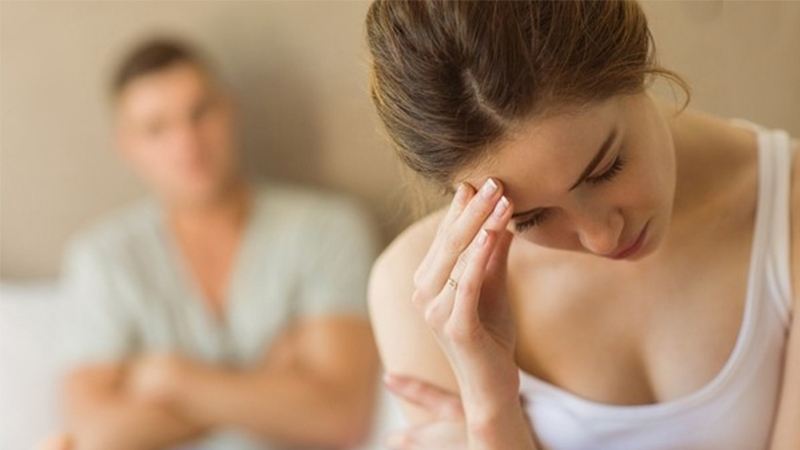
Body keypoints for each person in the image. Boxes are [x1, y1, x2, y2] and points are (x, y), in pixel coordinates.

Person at [364, 1, 799, 449]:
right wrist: (491, 405)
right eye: (529, 218)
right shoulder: (429, 297)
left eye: (607, 169)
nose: (602, 238)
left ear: (635, 64)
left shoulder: (789, 207)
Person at [59, 38, 380, 450]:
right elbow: (94, 434)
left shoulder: (327, 229)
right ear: (128, 147)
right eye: (156, 129)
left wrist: (173, 379)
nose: (187, 143)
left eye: (200, 113)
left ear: (230, 110)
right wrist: (269, 382)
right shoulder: (103, 258)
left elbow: (338, 416)